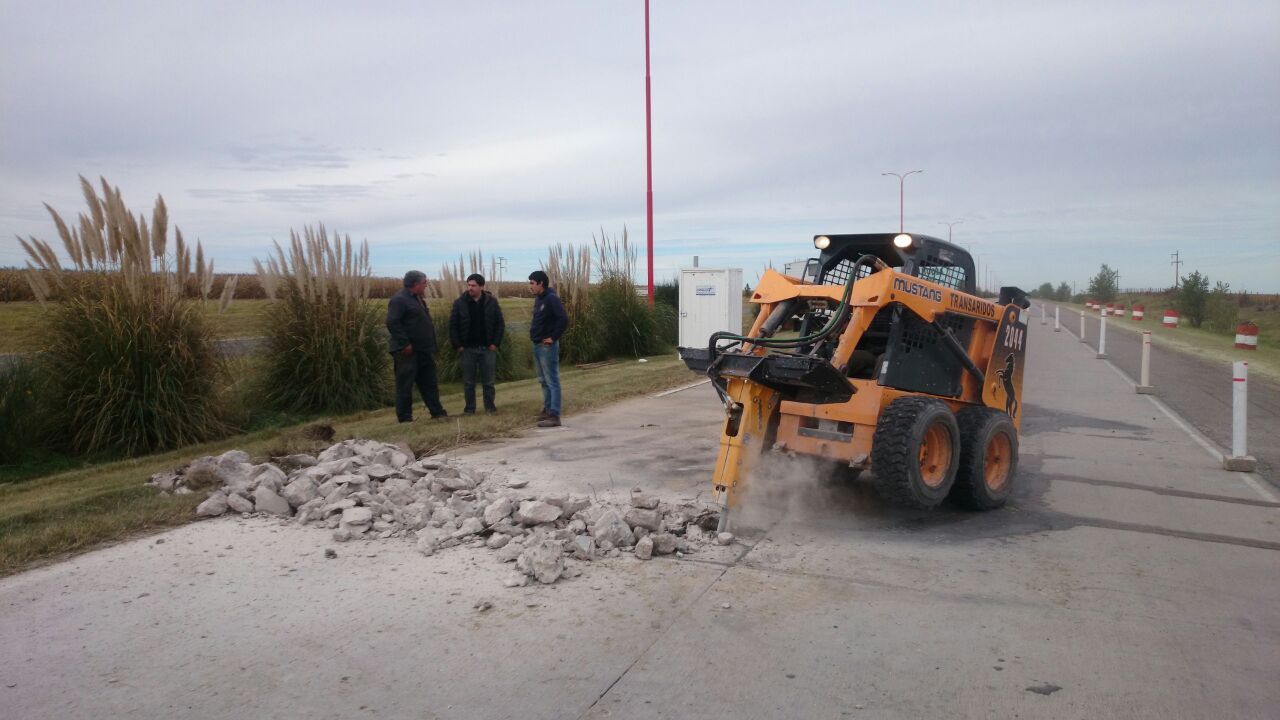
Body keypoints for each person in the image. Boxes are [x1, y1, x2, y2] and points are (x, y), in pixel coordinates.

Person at [386, 270, 448, 422]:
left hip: (424, 350)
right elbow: (392, 322)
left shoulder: (418, 299)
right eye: (424, 283)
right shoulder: (399, 300)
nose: (426, 285)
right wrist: (405, 343)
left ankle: (437, 412)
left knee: (429, 383)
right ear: (415, 284)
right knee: (405, 385)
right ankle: (405, 418)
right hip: (407, 352)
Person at [448, 273, 505, 415]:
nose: (470, 288)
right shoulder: (459, 302)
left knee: (488, 382)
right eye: (468, 285)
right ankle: (469, 409)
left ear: (481, 286)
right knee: (468, 382)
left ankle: (490, 408)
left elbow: (500, 323)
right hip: (467, 349)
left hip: (487, 348)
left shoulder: (491, 301)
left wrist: (495, 343)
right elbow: (453, 325)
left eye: (473, 285)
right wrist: (458, 345)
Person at [528, 270, 569, 427]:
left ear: (540, 283)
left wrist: (553, 337)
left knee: (552, 380)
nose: (530, 286)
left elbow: (563, 319)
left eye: (532, 283)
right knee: (543, 380)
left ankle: (554, 414)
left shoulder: (551, 299)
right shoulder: (539, 299)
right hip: (537, 345)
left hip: (547, 347)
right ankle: (547, 409)